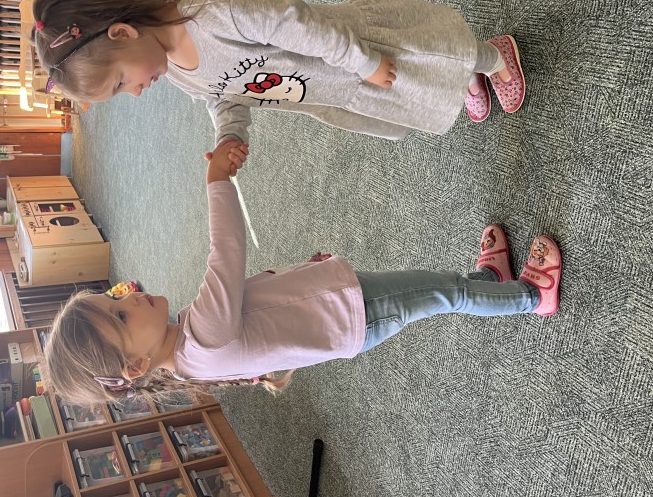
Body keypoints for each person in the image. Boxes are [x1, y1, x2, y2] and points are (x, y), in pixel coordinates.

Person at [41, 140, 562, 406]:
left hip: (341, 310)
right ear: (135, 365)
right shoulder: (201, 334)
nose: (129, 297)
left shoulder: (186, 358)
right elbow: (227, 250)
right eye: (121, 316)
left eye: (114, 297)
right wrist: (217, 178)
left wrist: (305, 274)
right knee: (443, 293)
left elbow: (261, 319)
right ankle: (529, 296)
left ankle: (491, 283)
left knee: (440, 288)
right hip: (355, 311)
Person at [31, 0, 526, 146]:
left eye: (122, 81)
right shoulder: (172, 69)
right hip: (332, 92)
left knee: (424, 56)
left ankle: (490, 57)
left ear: (123, 32)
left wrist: (362, 61)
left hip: (353, 52)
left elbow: (301, 25)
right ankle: (461, 78)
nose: (136, 93)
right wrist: (229, 135)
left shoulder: (214, 17)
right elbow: (220, 95)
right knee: (419, 85)